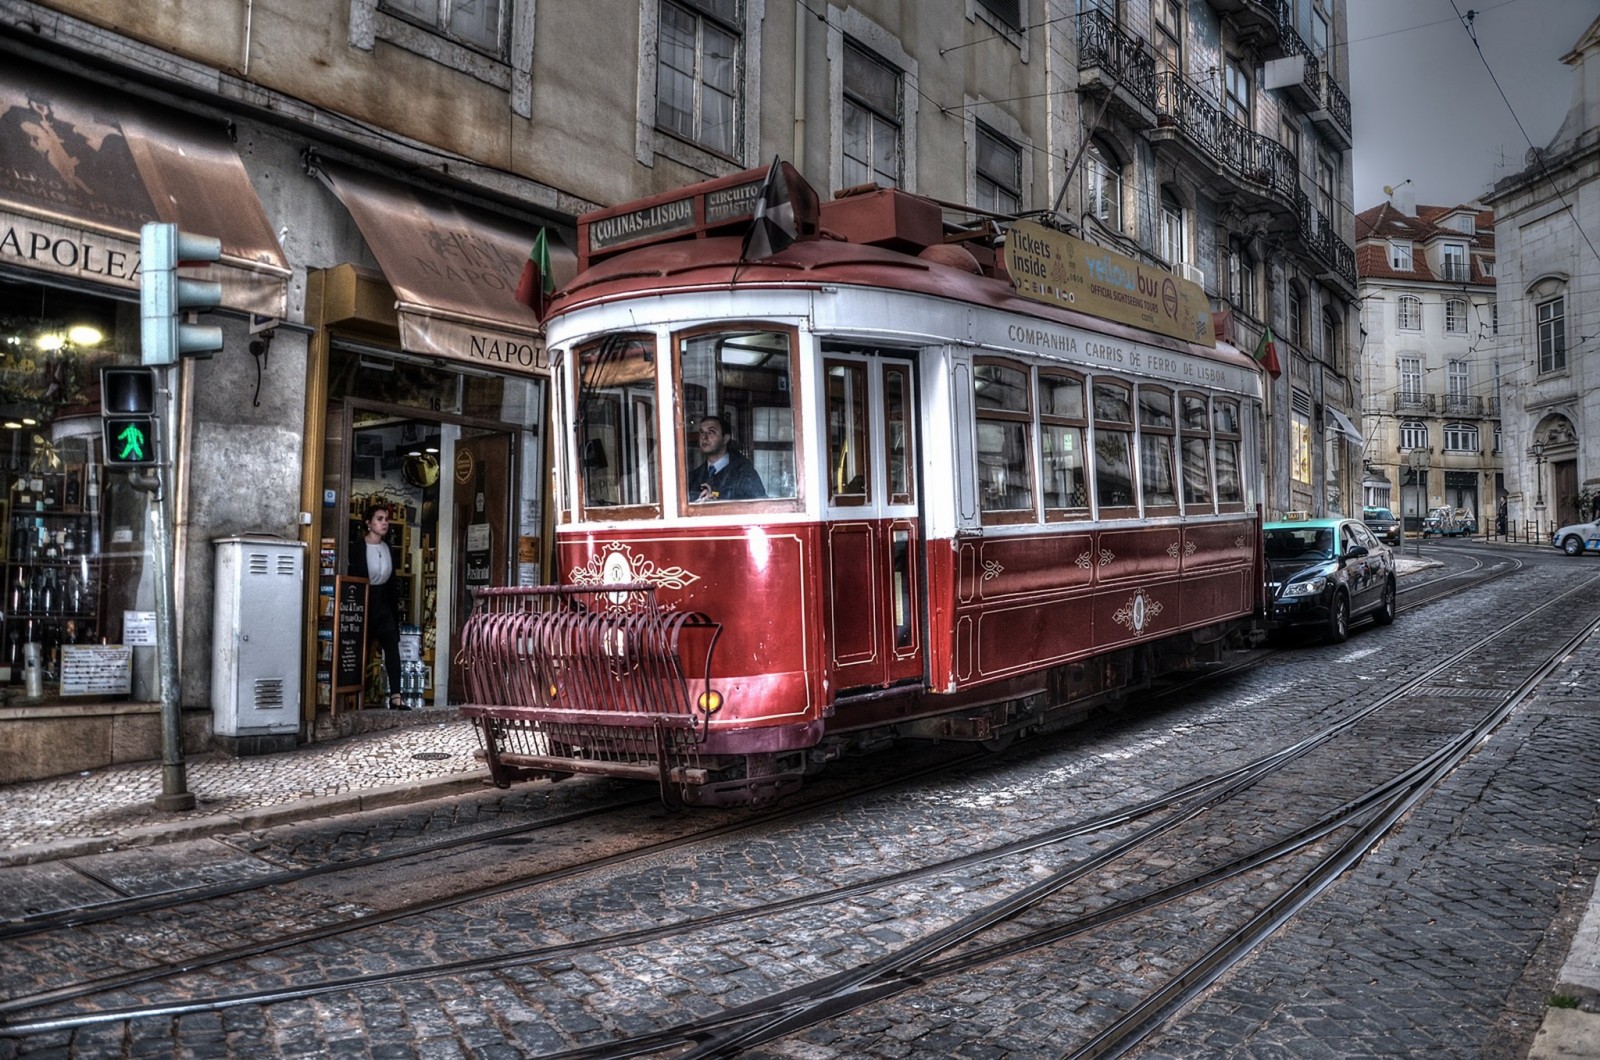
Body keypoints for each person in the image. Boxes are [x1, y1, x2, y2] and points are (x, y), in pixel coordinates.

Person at [349, 502, 407, 710]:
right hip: (365, 600)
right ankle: (355, 696)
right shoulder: (358, 547)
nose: (385, 523)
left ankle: (396, 697)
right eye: (379, 519)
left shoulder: (387, 546)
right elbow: (355, 576)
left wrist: (395, 602)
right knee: (360, 649)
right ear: (368, 523)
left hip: (384, 601)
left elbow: (391, 577)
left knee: (392, 648)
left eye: (386, 519)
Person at [687, 415, 765, 501]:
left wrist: (718, 506)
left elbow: (761, 508)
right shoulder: (694, 477)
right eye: (701, 432)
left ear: (725, 438)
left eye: (711, 432)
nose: (704, 437)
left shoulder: (744, 474)